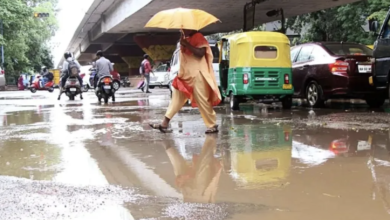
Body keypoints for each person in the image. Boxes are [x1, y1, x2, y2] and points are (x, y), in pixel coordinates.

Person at [149, 30, 221, 134]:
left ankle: (212, 125)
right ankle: (164, 123)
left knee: (202, 100)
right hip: (185, 76)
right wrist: (183, 42)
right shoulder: (185, 39)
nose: (182, 29)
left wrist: (187, 44)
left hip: (197, 75)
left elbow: (201, 53)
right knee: (176, 98)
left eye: (184, 28)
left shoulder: (198, 36)